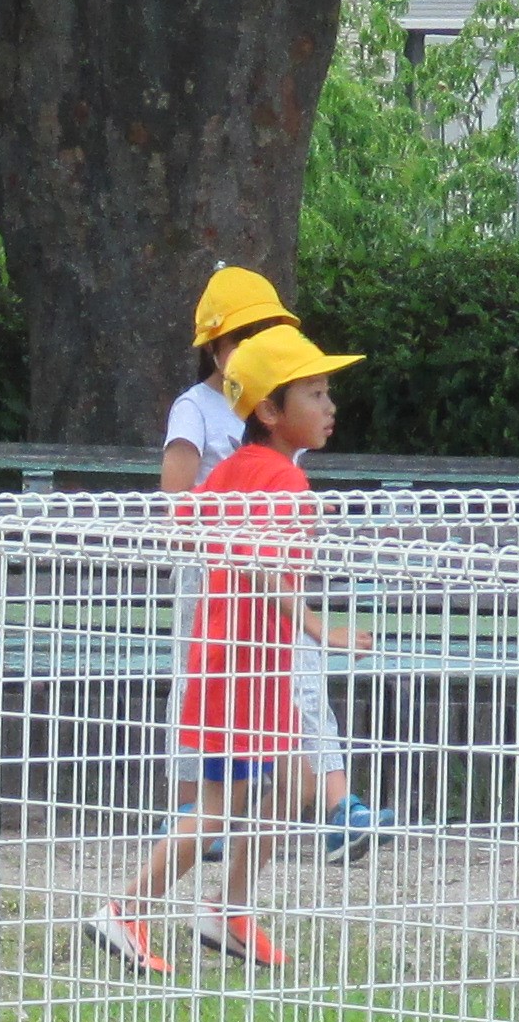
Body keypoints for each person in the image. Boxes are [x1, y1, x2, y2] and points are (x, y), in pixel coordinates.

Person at [96, 324, 361, 982]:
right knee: (219, 805)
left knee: (295, 784)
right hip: (243, 667)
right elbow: (264, 566)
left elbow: (196, 526)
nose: (331, 408)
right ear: (271, 411)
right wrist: (317, 627)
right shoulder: (284, 485)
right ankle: (126, 909)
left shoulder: (242, 469)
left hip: (234, 660)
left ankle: (229, 911)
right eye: (317, 394)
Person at [161, 264, 391, 860]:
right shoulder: (197, 409)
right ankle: (195, 812)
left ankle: (340, 807)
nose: (255, 347)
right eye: (243, 336)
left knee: (303, 685)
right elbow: (177, 507)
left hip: (271, 573)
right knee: (208, 690)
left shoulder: (282, 432)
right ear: (214, 346)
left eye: (269, 333)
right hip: (216, 577)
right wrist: (232, 543)